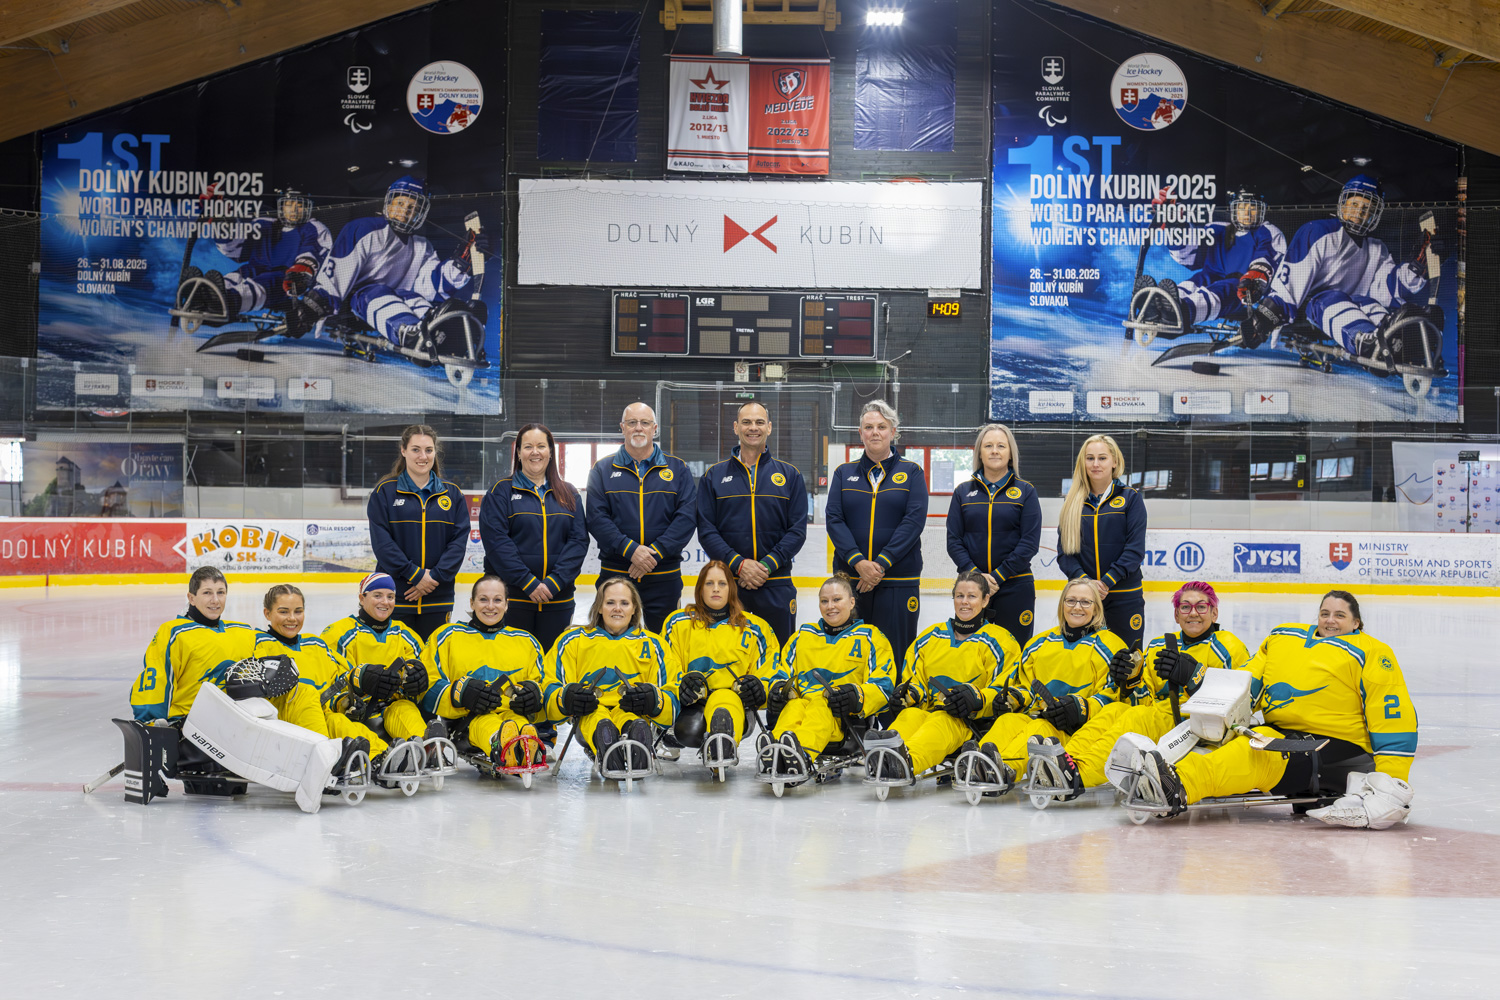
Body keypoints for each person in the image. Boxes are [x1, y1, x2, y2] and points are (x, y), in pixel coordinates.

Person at [1126, 590, 1417, 830]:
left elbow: (1393, 717)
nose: (1330, 620)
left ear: (1356, 623)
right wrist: (1197, 680)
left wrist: (1390, 781)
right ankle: (1165, 771)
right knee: (1228, 740)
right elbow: (1244, 684)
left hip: (1336, 747)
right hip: (1282, 734)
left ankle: (1175, 786)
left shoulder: (1372, 651)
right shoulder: (1283, 637)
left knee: (1256, 755)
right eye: (1325, 613)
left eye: (1340, 615)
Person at [1026, 582, 1250, 794]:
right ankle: (1065, 759)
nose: (1193, 613)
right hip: (1156, 715)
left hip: (1194, 724)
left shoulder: (1229, 646)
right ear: (1176, 614)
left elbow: (1240, 704)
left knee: (1135, 718)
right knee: (1113, 711)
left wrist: (1195, 678)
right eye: (1185, 607)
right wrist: (1127, 679)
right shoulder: (1159, 644)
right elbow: (1142, 699)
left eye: (1201, 607)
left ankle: (1079, 774)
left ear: (1214, 613)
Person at [955, 578, 1130, 791]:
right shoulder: (1040, 643)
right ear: (1062, 604)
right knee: (1010, 720)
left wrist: (1079, 708)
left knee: (1039, 727)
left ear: (1096, 608)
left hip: (1075, 730)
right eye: (1071, 600)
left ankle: (1004, 769)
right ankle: (978, 762)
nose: (1077, 607)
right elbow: (1026, 687)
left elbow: (1114, 698)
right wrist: (1014, 698)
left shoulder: (1111, 645)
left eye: (1085, 602)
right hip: (1038, 716)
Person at [253, 584, 427, 786]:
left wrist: (345, 702)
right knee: (308, 693)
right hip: (287, 722)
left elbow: (335, 686)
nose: (292, 618)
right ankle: (322, 764)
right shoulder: (258, 643)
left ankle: (382, 759)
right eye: (283, 612)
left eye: (298, 611)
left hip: (321, 717)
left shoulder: (316, 644)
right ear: (267, 613)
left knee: (341, 722)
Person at [286, 175, 487, 349]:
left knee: (413, 298)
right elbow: (338, 273)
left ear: (420, 214)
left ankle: (444, 330)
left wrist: (461, 263)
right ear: (388, 205)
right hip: (358, 303)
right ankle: (410, 333)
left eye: (413, 208)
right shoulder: (363, 229)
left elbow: (431, 286)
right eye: (400, 204)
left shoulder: (422, 246)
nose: (405, 211)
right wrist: (310, 309)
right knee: (376, 292)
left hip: (400, 298)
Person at [1249, 174, 1437, 358]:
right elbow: (1292, 279)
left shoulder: (1378, 249)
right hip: (1311, 309)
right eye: (1354, 204)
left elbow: (1386, 289)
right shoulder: (1318, 231)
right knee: (1331, 298)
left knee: (1369, 303)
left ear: (1374, 215)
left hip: (1352, 306)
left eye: (1367, 208)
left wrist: (1416, 268)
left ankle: (1399, 339)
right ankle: (1365, 340)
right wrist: (1265, 317)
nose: (1360, 212)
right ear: (1343, 204)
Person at [863, 572, 1021, 784]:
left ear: (985, 600)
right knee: (911, 715)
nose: (964, 602)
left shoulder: (1001, 641)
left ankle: (905, 763)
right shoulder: (930, 637)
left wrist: (975, 699)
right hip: (929, 711)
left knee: (941, 721)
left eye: (972, 596)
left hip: (967, 723)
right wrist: (908, 695)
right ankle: (883, 754)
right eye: (959, 596)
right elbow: (915, 680)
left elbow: (1003, 690)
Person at [825, 400, 928, 677]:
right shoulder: (843, 473)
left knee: (896, 653)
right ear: (860, 433)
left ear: (893, 432)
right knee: (850, 654)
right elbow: (834, 520)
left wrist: (880, 564)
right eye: (868, 427)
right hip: (851, 580)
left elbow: (913, 522)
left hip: (897, 581)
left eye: (881, 427)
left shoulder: (912, 472)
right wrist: (859, 563)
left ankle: (895, 705)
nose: (875, 432)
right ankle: (851, 704)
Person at [763, 575, 895, 783]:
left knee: (820, 706)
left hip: (844, 721)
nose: (830, 606)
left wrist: (856, 695)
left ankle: (798, 754)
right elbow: (781, 673)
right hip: (803, 708)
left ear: (851, 602)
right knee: (794, 706)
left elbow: (884, 685)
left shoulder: (870, 636)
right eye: (824, 601)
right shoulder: (802, 636)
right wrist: (779, 689)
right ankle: (775, 750)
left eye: (837, 600)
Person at [696, 402, 808, 644]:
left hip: (776, 583)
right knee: (728, 655)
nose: (753, 427)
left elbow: (797, 531)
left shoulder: (790, 475)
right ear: (736, 427)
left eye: (759, 422)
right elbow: (707, 531)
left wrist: (766, 566)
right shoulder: (713, 476)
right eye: (746, 422)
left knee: (778, 655)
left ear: (769, 427)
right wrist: (739, 565)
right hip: (730, 585)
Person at [419, 576, 550, 774]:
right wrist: (459, 693)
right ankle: (503, 744)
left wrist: (534, 695)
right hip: (468, 720)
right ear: (472, 603)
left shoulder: (527, 641)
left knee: (521, 725)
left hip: (512, 714)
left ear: (506, 604)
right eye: (483, 599)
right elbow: (426, 684)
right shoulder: (447, 636)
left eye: (497, 600)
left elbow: (545, 684)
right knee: (492, 726)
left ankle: (524, 743)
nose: (490, 606)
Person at [586, 403, 697, 634]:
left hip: (664, 576)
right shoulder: (602, 469)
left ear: (654, 428)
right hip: (616, 575)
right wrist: (631, 550)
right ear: (622, 427)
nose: (638, 428)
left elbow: (686, 517)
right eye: (632, 423)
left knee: (665, 641)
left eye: (645, 423)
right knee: (612, 641)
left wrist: (654, 553)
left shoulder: (678, 469)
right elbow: (597, 518)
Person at [544, 577, 675, 774]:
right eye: (610, 602)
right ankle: (610, 743)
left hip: (632, 711)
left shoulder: (654, 645)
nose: (617, 609)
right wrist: (567, 697)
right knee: (598, 719)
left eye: (624, 603)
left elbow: (671, 695)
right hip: (590, 716)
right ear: (599, 607)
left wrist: (654, 699)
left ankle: (633, 737)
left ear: (634, 608)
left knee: (632, 719)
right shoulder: (572, 641)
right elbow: (550, 686)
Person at [479, 423, 588, 653]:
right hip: (513, 599)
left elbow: (578, 541)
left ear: (551, 452)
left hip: (557, 599)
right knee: (513, 662)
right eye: (528, 447)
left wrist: (554, 582)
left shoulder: (569, 493)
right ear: (518, 453)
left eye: (541, 446)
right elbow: (497, 543)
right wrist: (528, 582)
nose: (534, 452)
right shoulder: (501, 492)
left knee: (551, 662)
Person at [659, 561, 780, 763]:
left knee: (725, 697)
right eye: (709, 583)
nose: (716, 589)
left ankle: (723, 741)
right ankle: (719, 744)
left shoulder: (755, 628)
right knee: (688, 730)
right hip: (693, 704)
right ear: (700, 588)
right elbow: (666, 667)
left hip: (736, 704)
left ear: (731, 588)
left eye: (722, 584)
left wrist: (759, 687)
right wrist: (681, 684)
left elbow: (770, 670)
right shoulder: (677, 623)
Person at [367, 424, 471, 641]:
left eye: (428, 450)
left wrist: (433, 578)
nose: (423, 456)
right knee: (397, 658)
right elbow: (382, 544)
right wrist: (415, 575)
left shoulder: (452, 494)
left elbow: (458, 543)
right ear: (403, 450)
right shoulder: (384, 492)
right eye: (416, 449)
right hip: (396, 596)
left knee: (433, 657)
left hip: (438, 597)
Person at [945, 423, 1041, 644]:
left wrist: (998, 576)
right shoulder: (962, 492)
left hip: (1015, 586)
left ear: (1010, 453)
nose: (994, 451)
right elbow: (954, 541)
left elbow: (1029, 542)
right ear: (980, 453)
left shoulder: (1026, 491)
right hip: (972, 589)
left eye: (1001, 446)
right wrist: (977, 577)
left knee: (1014, 650)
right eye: (988, 446)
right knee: (971, 650)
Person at [1143, 187, 1286, 329]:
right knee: (1194, 282)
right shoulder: (1217, 228)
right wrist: (1175, 225)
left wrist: (1254, 280)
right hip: (1211, 277)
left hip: (1243, 289)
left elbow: (1266, 260)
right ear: (1234, 209)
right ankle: (1157, 305)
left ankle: (1182, 313)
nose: (1247, 213)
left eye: (1253, 207)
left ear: (1261, 210)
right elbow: (1188, 256)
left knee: (1223, 290)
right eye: (1242, 207)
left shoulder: (1268, 232)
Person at [180, 188, 332, 322]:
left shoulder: (313, 228)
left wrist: (301, 272)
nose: (294, 209)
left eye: (299, 205)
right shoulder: (264, 222)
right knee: (232, 278)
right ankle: (201, 297)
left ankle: (225, 303)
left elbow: (313, 253)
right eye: (289, 204)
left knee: (258, 287)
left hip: (285, 278)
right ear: (282, 205)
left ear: (307, 207)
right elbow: (236, 250)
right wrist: (223, 220)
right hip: (253, 268)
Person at [130, 566, 260, 723]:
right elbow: (157, 680)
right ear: (191, 598)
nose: (215, 600)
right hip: (188, 724)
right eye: (207, 593)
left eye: (221, 592)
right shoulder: (175, 632)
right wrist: (151, 723)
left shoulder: (243, 631)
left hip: (236, 722)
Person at [319, 572, 434, 746]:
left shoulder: (406, 634)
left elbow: (424, 672)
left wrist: (417, 680)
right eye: (377, 595)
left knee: (405, 709)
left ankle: (424, 747)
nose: (385, 602)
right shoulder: (338, 634)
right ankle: (383, 754)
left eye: (390, 597)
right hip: (357, 713)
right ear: (362, 598)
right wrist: (359, 681)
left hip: (393, 708)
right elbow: (330, 682)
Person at [1056, 434, 1146, 650]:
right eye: (1090, 458)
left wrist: (1106, 582)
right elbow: (1065, 554)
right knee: (1082, 659)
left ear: (1114, 461)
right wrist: (1086, 584)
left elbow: (1134, 550)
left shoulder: (1131, 498)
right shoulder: (1072, 502)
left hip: (1124, 597)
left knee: (1126, 659)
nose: (1095, 464)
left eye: (1102, 458)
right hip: (1083, 600)